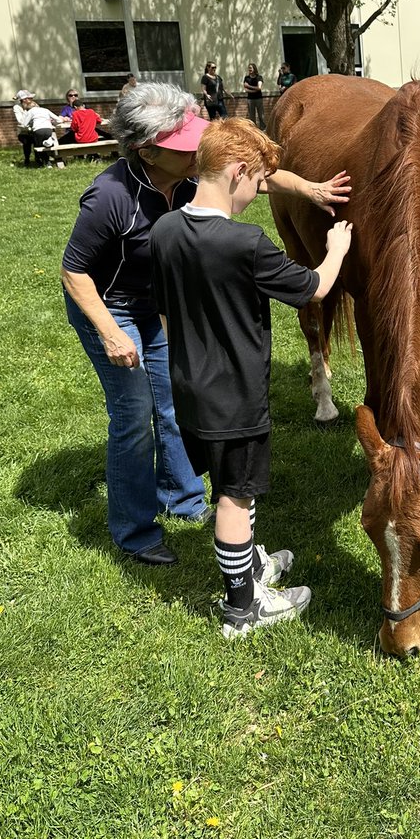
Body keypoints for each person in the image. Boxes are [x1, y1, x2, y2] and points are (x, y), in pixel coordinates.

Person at [61, 83, 352, 566]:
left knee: (174, 401)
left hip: (159, 302)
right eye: (184, 143)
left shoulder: (193, 177)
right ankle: (136, 532)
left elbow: (261, 177)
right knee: (134, 417)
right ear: (148, 151)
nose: (198, 149)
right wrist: (110, 331)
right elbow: (74, 270)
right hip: (109, 306)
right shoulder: (109, 198)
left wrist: (310, 188)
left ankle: (186, 498)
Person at [150, 119, 353, 637]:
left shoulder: (166, 229)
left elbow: (164, 309)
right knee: (235, 497)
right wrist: (336, 249)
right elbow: (313, 289)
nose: (259, 192)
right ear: (237, 171)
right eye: (258, 181)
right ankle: (244, 607)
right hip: (235, 394)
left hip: (190, 387)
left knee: (227, 482)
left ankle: (252, 566)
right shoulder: (245, 243)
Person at [15, 94, 66, 166]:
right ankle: (48, 144)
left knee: (39, 146)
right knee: (44, 144)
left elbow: (24, 124)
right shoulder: (45, 110)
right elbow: (59, 120)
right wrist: (52, 122)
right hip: (49, 130)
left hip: (38, 130)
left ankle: (45, 162)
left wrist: (31, 124)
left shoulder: (31, 111)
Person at [13, 90, 34, 167]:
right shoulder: (17, 107)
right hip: (23, 131)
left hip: (34, 129)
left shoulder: (34, 105)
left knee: (39, 140)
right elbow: (20, 121)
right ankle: (27, 159)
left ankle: (40, 159)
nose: (31, 99)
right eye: (29, 98)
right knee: (26, 142)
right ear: (24, 99)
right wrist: (27, 111)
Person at [243, 62, 265, 128]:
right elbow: (246, 89)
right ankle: (253, 128)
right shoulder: (246, 78)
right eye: (248, 68)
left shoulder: (259, 77)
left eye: (250, 68)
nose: (249, 69)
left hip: (258, 98)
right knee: (251, 116)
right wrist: (255, 90)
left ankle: (263, 128)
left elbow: (259, 87)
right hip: (250, 99)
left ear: (254, 69)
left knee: (261, 115)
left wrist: (249, 86)